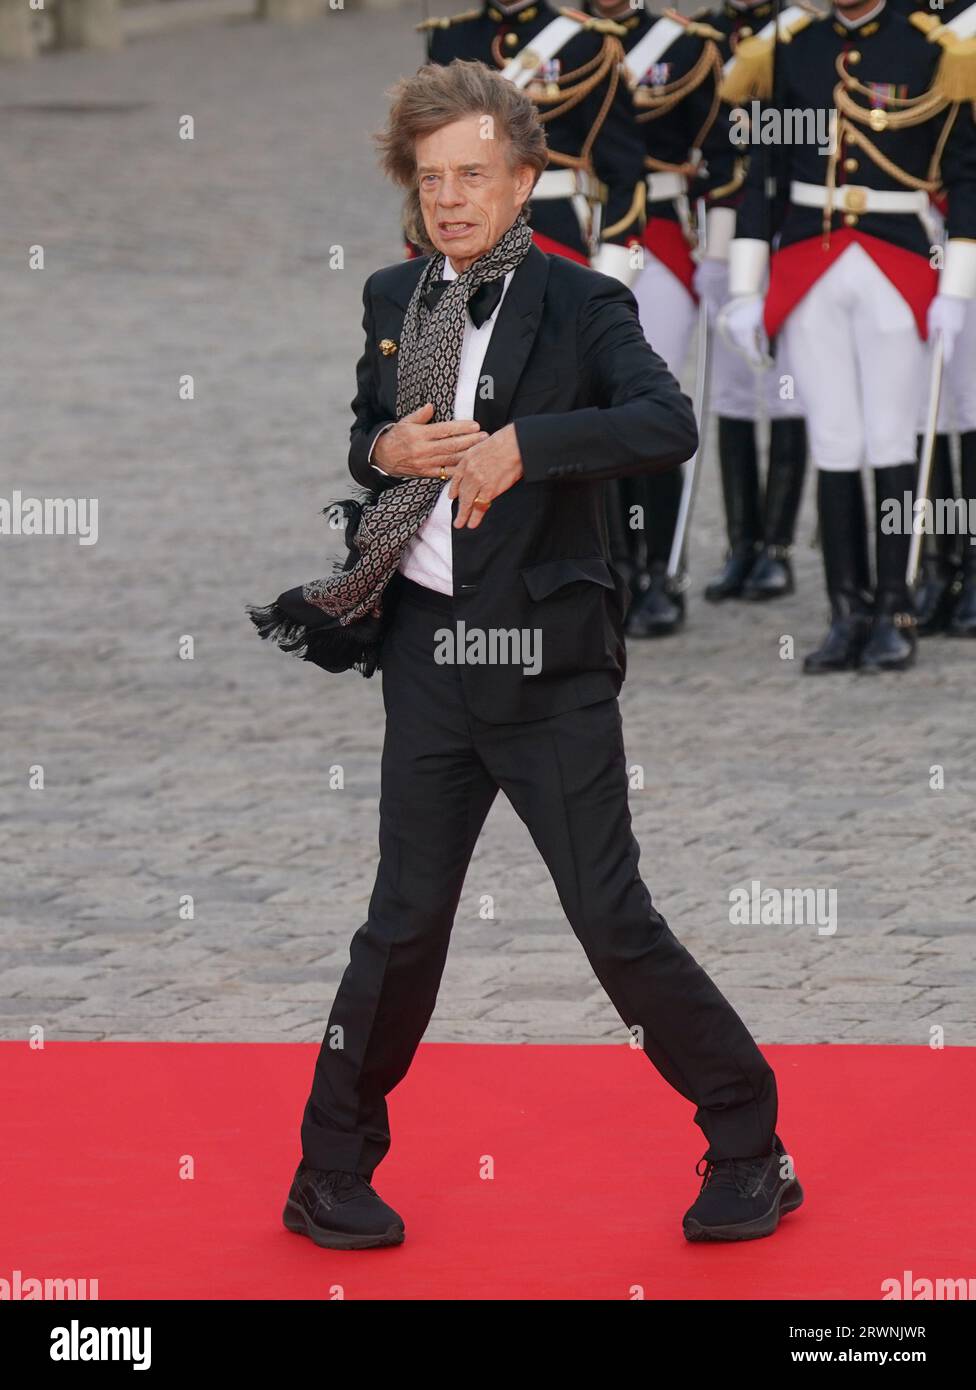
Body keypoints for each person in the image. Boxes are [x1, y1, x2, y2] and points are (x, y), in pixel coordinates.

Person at [276, 60, 801, 1250]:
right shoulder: (390, 294)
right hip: (423, 654)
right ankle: (328, 1168)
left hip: (547, 662)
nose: (451, 198)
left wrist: (527, 445)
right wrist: (385, 448)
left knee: (611, 919)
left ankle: (750, 1144)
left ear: (524, 180)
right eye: (431, 178)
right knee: (400, 927)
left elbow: (663, 423)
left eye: (473, 175)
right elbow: (369, 440)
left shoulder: (583, 302)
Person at [720, 0, 976, 672]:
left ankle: (895, 609)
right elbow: (765, 180)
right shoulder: (789, 47)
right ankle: (846, 612)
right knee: (834, 439)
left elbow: (965, 176)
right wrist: (748, 288)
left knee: (891, 440)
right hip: (809, 262)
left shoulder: (934, 49)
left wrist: (957, 289)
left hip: (897, 259)